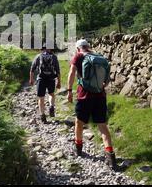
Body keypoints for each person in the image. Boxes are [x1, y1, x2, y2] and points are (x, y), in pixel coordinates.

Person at [66, 39, 117, 170]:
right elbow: (107, 80)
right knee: (102, 126)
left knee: (79, 122)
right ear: (88, 47)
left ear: (78, 48)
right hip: (100, 96)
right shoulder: (99, 57)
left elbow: (72, 72)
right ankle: (111, 157)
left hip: (84, 96)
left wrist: (69, 91)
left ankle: (78, 147)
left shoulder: (79, 56)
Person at [29, 44, 61, 123]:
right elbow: (58, 71)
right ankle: (51, 106)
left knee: (41, 98)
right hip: (51, 79)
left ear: (42, 49)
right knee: (51, 94)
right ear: (50, 49)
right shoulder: (54, 57)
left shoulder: (38, 56)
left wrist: (31, 79)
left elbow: (32, 69)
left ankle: (42, 115)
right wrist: (59, 82)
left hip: (41, 79)